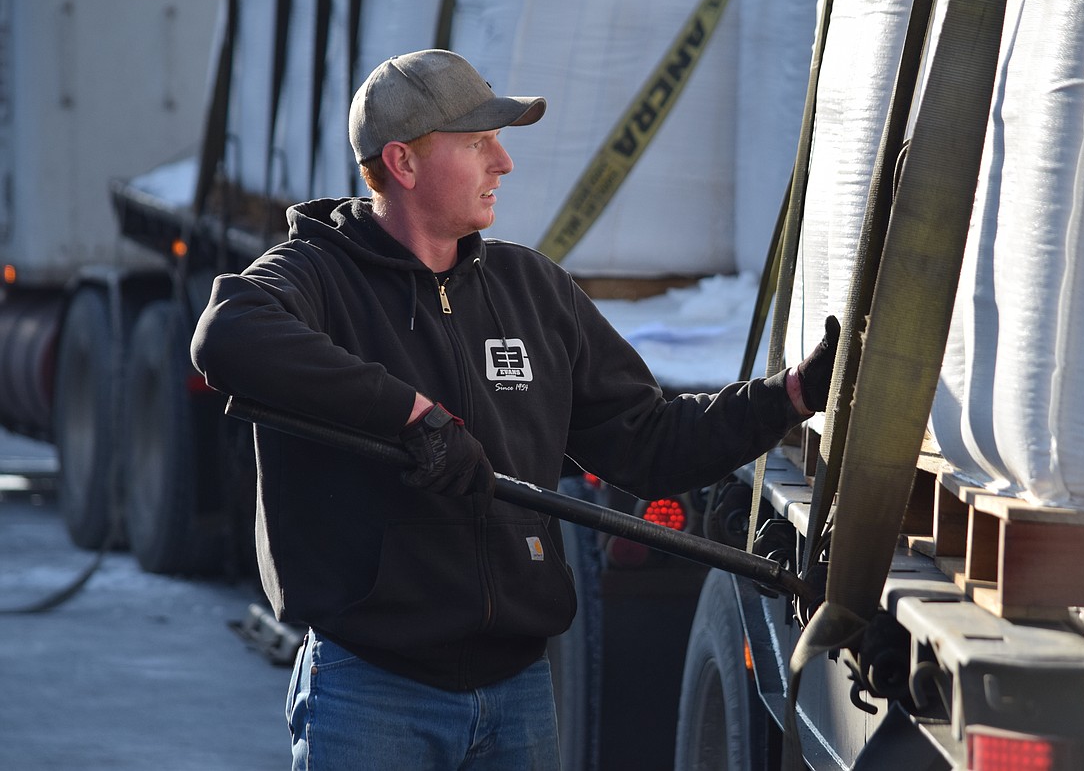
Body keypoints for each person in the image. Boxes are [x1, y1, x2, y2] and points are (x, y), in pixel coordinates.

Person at [190, 49, 839, 771]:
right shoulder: (315, 274)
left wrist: (789, 397)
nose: (503, 162)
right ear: (402, 164)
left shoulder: (532, 289)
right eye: (477, 144)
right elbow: (228, 333)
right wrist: (412, 416)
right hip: (373, 691)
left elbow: (649, 443)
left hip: (519, 691)